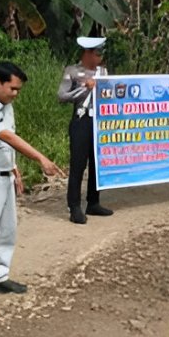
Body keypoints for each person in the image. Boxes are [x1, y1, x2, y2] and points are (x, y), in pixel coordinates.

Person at [0, 61, 63, 313]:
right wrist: (40, 158)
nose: (16, 94)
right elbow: (7, 137)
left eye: (18, 90)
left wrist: (13, 168)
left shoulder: (7, 107)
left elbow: (5, 142)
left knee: (6, 231)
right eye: (12, 88)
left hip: (3, 177)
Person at [58, 36, 114, 224]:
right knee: (78, 164)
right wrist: (84, 88)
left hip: (100, 121)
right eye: (97, 53)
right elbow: (62, 96)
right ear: (88, 53)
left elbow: (109, 95)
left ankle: (93, 202)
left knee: (97, 163)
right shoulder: (72, 71)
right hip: (81, 120)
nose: (100, 57)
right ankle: (74, 206)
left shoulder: (103, 72)